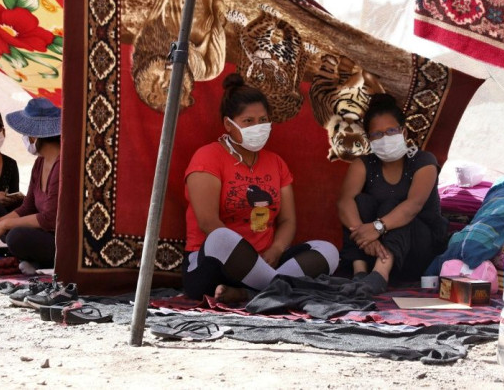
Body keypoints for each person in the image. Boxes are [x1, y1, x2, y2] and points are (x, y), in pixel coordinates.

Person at [184, 73, 339, 303]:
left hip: (267, 260)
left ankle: (251, 292)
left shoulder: (276, 163)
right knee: (221, 238)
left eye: (263, 120)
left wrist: (276, 249)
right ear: (229, 124)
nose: (258, 127)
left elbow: (288, 221)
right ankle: (276, 287)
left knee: (328, 251)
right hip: (217, 265)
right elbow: (208, 223)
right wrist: (248, 259)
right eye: (249, 121)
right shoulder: (207, 158)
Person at [337, 93, 448, 294]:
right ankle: (360, 272)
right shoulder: (364, 164)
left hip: (418, 252)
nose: (385, 138)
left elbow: (412, 206)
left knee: (393, 205)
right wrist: (365, 234)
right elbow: (344, 202)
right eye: (377, 134)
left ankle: (380, 274)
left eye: (391, 131)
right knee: (360, 202)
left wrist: (377, 228)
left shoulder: (423, 161)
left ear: (403, 133)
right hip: (371, 246)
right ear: (369, 139)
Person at [0, 98, 61, 271]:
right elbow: (27, 208)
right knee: (6, 229)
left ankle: (45, 263)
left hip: (62, 240)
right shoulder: (40, 163)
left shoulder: (62, 165)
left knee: (15, 235)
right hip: (44, 233)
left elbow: (50, 219)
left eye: (25, 134)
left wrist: (4, 224)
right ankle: (35, 261)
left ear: (34, 136)